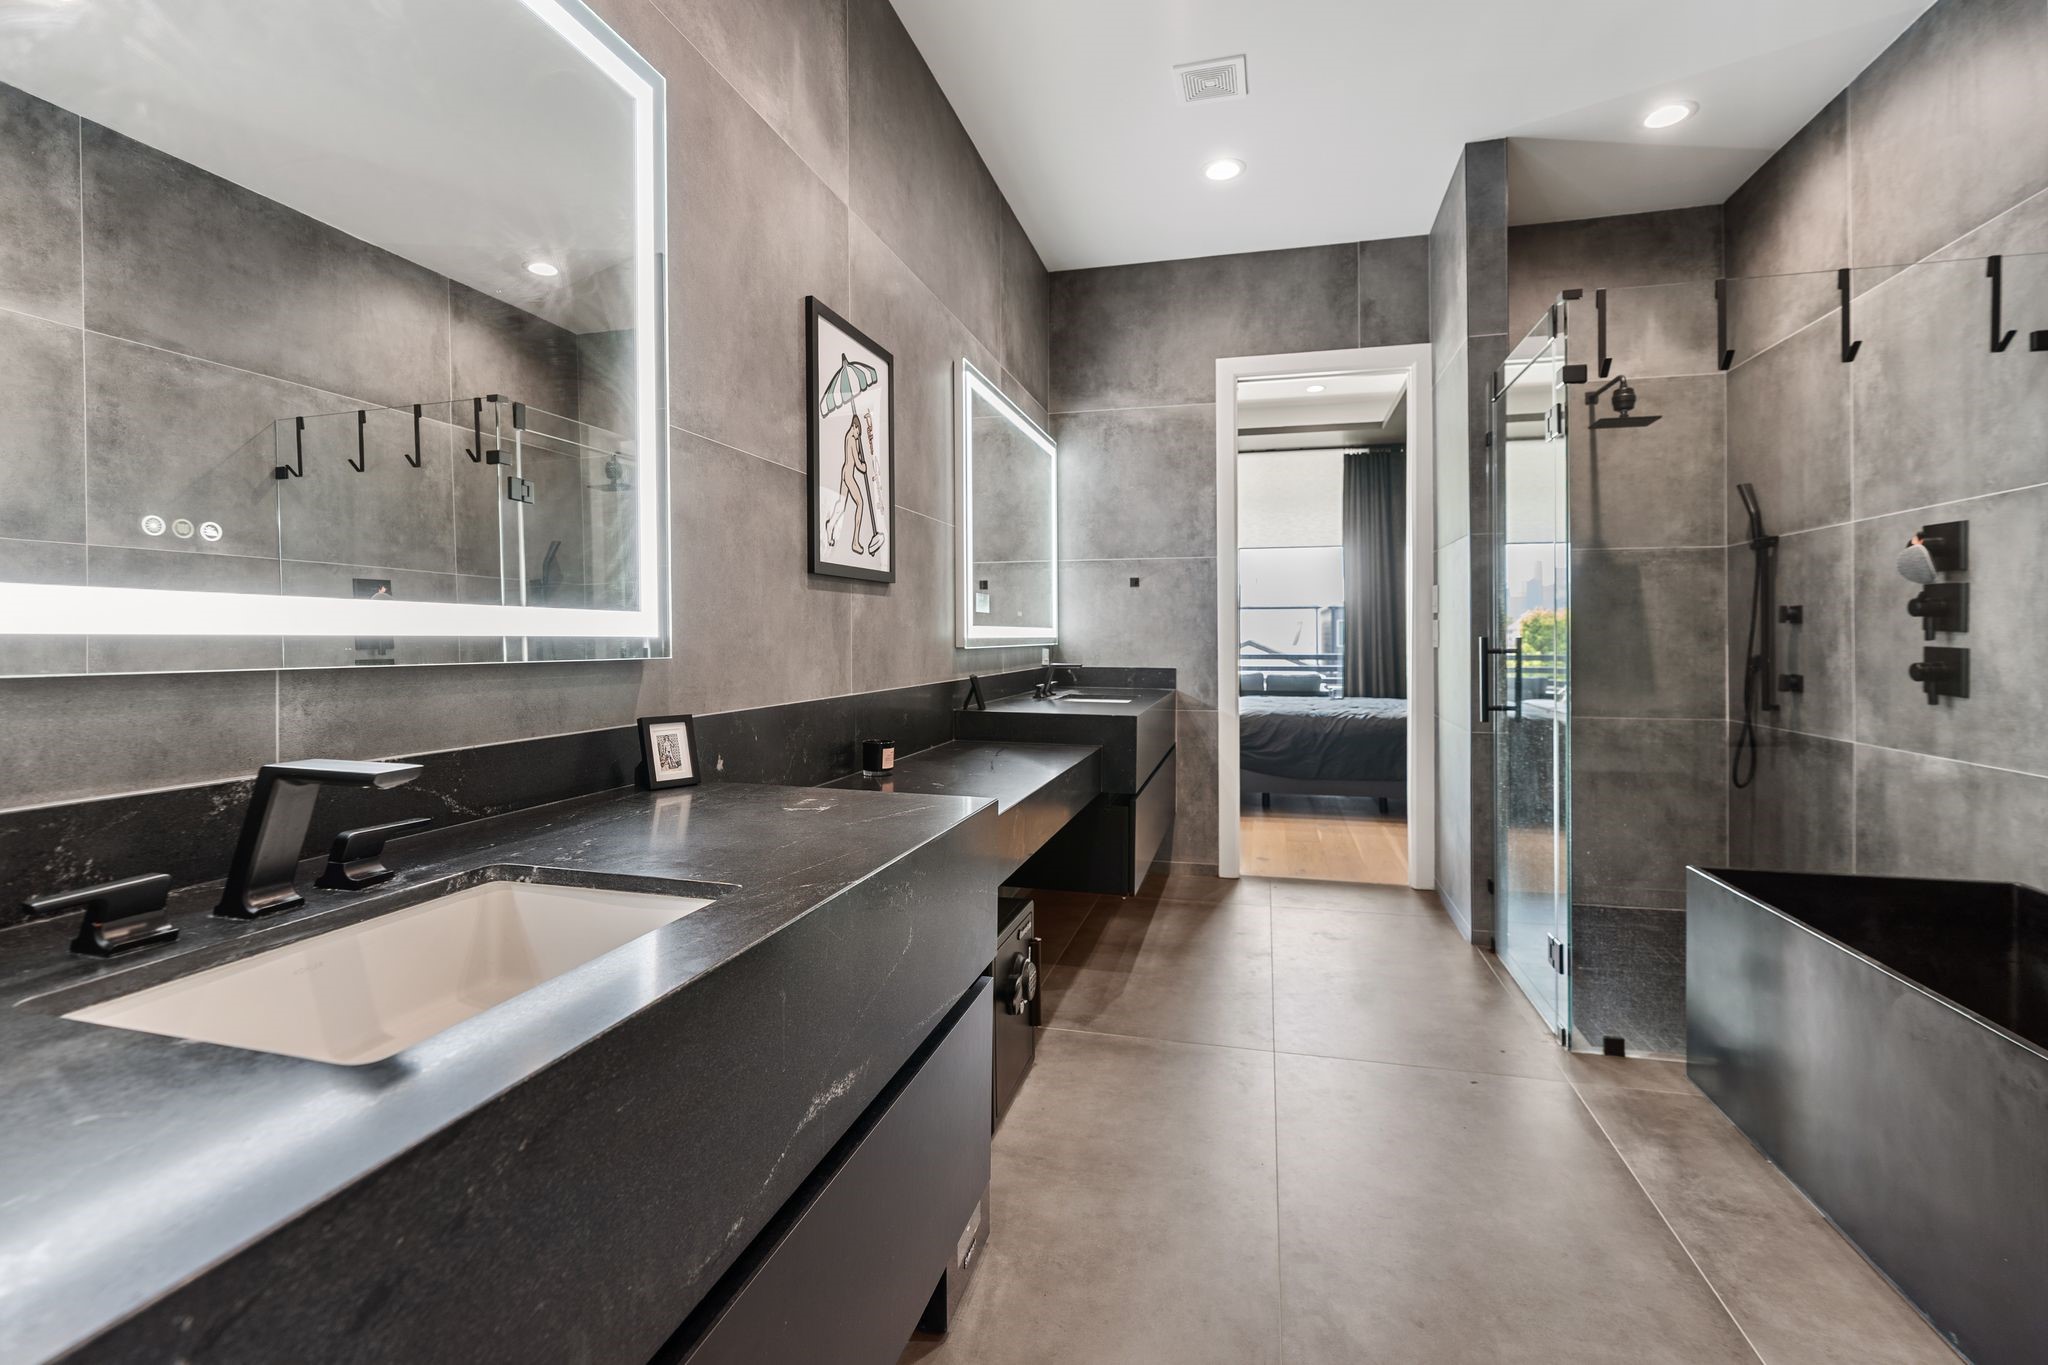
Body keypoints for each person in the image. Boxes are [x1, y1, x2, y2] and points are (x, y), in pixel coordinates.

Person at [823, 402, 885, 557]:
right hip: (849, 475)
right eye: (859, 432)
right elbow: (858, 464)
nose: (859, 435)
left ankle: (830, 525)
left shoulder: (851, 437)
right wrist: (864, 466)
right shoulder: (851, 438)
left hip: (845, 473)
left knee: (841, 504)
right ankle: (855, 542)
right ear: (855, 427)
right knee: (860, 503)